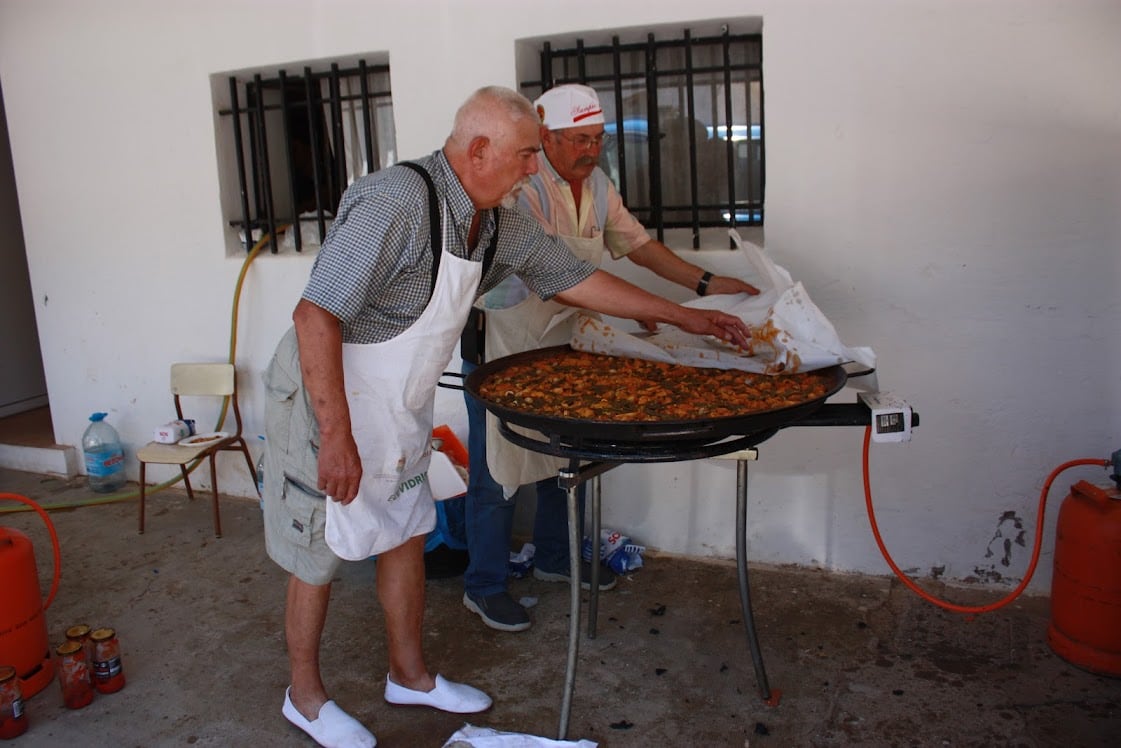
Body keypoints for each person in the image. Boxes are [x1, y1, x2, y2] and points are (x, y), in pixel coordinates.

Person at [261, 85, 752, 748]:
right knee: (319, 546)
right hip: (327, 394)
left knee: (405, 528)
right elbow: (313, 314)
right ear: (480, 150)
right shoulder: (396, 202)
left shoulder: (494, 219)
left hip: (394, 398)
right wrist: (337, 437)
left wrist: (685, 315)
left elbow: (570, 275)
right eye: (525, 155)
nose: (533, 168)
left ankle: (409, 675)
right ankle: (306, 697)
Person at [461, 84, 760, 633]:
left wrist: (706, 282)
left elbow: (637, 244)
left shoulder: (596, 185)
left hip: (561, 342)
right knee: (497, 472)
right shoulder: (521, 188)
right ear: (545, 138)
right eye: (580, 140)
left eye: (598, 139)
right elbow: (554, 276)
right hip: (506, 343)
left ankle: (554, 558)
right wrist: (658, 310)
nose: (592, 151)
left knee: (562, 459)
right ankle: (484, 585)